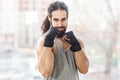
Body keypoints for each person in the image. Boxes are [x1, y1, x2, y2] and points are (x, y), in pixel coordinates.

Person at [36, 1, 89, 80]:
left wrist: (76, 46)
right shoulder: (43, 42)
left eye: (63, 20)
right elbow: (45, 72)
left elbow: (84, 70)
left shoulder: (76, 41)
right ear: (49, 19)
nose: (60, 24)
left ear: (67, 18)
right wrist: (48, 41)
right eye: (56, 20)